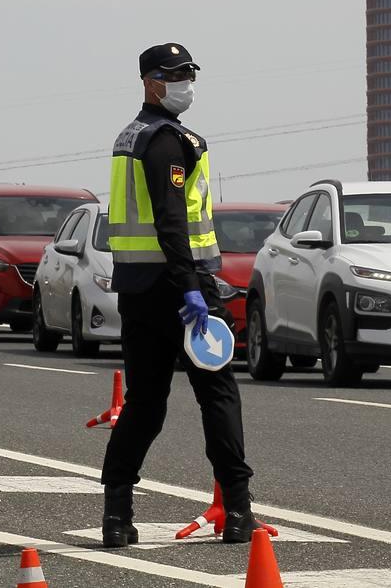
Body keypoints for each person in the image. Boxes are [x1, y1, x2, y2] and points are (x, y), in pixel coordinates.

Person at [100, 42, 257, 548]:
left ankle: (117, 515)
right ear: (151, 82)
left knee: (145, 403)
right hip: (179, 287)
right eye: (175, 74)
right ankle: (237, 511)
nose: (186, 82)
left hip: (138, 289)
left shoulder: (132, 136)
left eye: (189, 72)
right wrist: (192, 289)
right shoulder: (168, 140)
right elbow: (172, 220)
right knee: (218, 395)